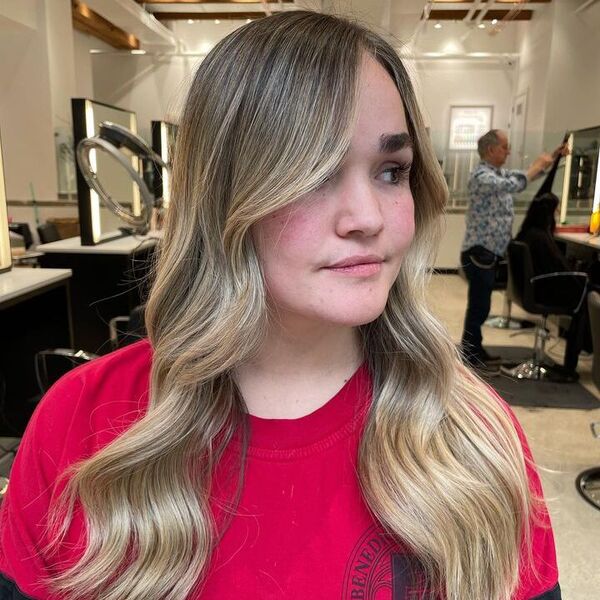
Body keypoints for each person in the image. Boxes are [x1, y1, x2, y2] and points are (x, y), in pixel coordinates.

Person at [0, 11, 560, 600]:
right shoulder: (81, 428)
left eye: (392, 171)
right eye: (314, 174)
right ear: (224, 194)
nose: (367, 218)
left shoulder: (473, 437)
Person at [460, 129, 563, 370]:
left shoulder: (496, 173)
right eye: (505, 146)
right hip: (480, 251)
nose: (508, 151)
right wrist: (537, 166)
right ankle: (470, 353)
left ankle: (473, 349)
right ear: (491, 150)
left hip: (489, 251)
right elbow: (514, 184)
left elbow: (518, 178)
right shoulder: (482, 176)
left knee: (480, 304)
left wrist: (553, 159)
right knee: (479, 305)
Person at [516, 193, 590, 382]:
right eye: (556, 210)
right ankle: (569, 367)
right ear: (549, 213)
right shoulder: (541, 237)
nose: (557, 214)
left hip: (536, 289)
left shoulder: (529, 233)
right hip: (544, 292)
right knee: (584, 303)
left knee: (584, 293)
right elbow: (558, 268)